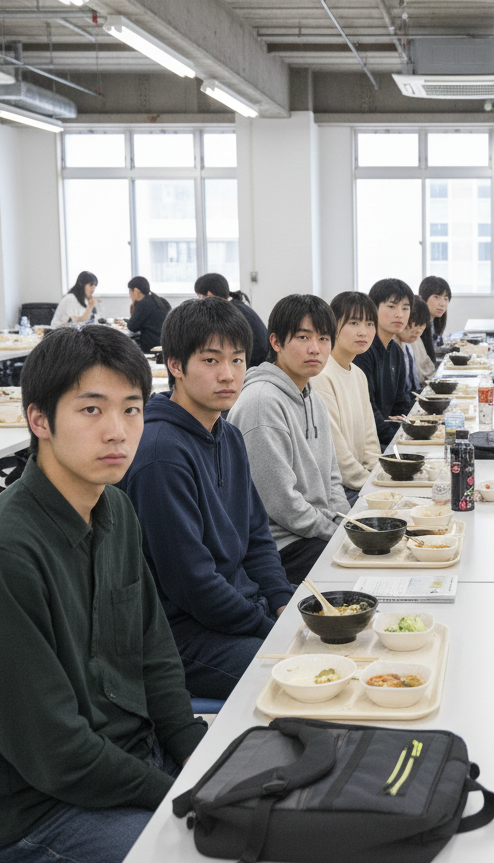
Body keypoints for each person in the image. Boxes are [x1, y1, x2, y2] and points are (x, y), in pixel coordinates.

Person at [0, 325, 207, 863]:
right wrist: (176, 794)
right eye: (91, 410)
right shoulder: (11, 551)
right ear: (39, 420)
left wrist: (194, 752)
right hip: (44, 812)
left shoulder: (115, 508)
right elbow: (56, 753)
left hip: (132, 762)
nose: (118, 431)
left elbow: (156, 653)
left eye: (132, 409)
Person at [121, 298, 294, 700]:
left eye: (237, 360)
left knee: (340, 627)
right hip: (182, 635)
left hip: (238, 611)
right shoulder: (160, 454)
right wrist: (269, 628)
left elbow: (257, 537)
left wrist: (282, 602)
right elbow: (192, 584)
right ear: (176, 365)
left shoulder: (227, 434)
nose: (228, 375)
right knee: (300, 673)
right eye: (211, 360)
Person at [227, 294, 349, 584]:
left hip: (315, 531)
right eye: (303, 337)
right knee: (358, 575)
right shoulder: (261, 402)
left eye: (323, 338)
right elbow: (282, 504)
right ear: (276, 342)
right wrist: (338, 534)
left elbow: (333, 479)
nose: (315, 348)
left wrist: (349, 524)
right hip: (280, 546)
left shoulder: (313, 398)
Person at [312, 291, 382, 508]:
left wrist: (379, 477)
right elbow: (337, 456)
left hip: (362, 483)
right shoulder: (321, 375)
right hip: (338, 490)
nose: (363, 332)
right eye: (353, 323)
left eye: (369, 324)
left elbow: (370, 439)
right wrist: (373, 485)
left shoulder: (358, 374)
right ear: (333, 325)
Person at [353, 278, 415, 447]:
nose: (399, 314)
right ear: (373, 309)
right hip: (371, 443)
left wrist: (410, 429)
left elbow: (401, 404)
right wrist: (403, 438)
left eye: (405, 308)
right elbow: (368, 411)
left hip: (390, 435)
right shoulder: (363, 350)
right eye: (391, 306)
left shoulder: (396, 351)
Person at [195, 271, 270, 366]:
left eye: (200, 297)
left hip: (253, 364)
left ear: (209, 295)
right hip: (260, 361)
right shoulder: (238, 306)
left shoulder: (229, 312)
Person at [125, 275, 171, 352]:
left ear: (136, 291)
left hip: (151, 346)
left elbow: (131, 326)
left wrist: (133, 306)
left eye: (130, 291)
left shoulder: (143, 303)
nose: (130, 295)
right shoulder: (161, 300)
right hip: (166, 343)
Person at [400, 296, 435, 396]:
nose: (417, 330)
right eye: (412, 324)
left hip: (417, 393)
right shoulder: (392, 344)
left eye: (421, 325)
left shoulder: (416, 341)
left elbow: (427, 367)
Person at [418, 275, 451, 366]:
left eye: (446, 298)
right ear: (423, 297)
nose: (442, 303)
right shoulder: (418, 325)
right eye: (436, 297)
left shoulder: (434, 321)